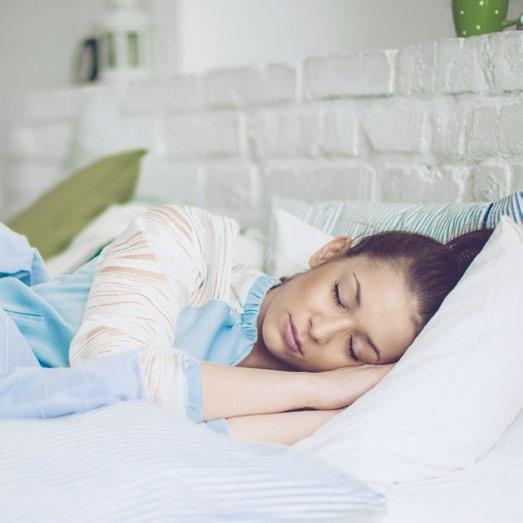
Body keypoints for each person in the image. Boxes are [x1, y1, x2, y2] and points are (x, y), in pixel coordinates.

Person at [1, 205, 493, 444]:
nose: (321, 331)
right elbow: (109, 375)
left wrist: (326, 408)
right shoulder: (187, 241)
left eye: (355, 349)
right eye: (339, 295)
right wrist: (321, 390)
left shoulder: (296, 405)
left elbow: (182, 444)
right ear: (329, 253)